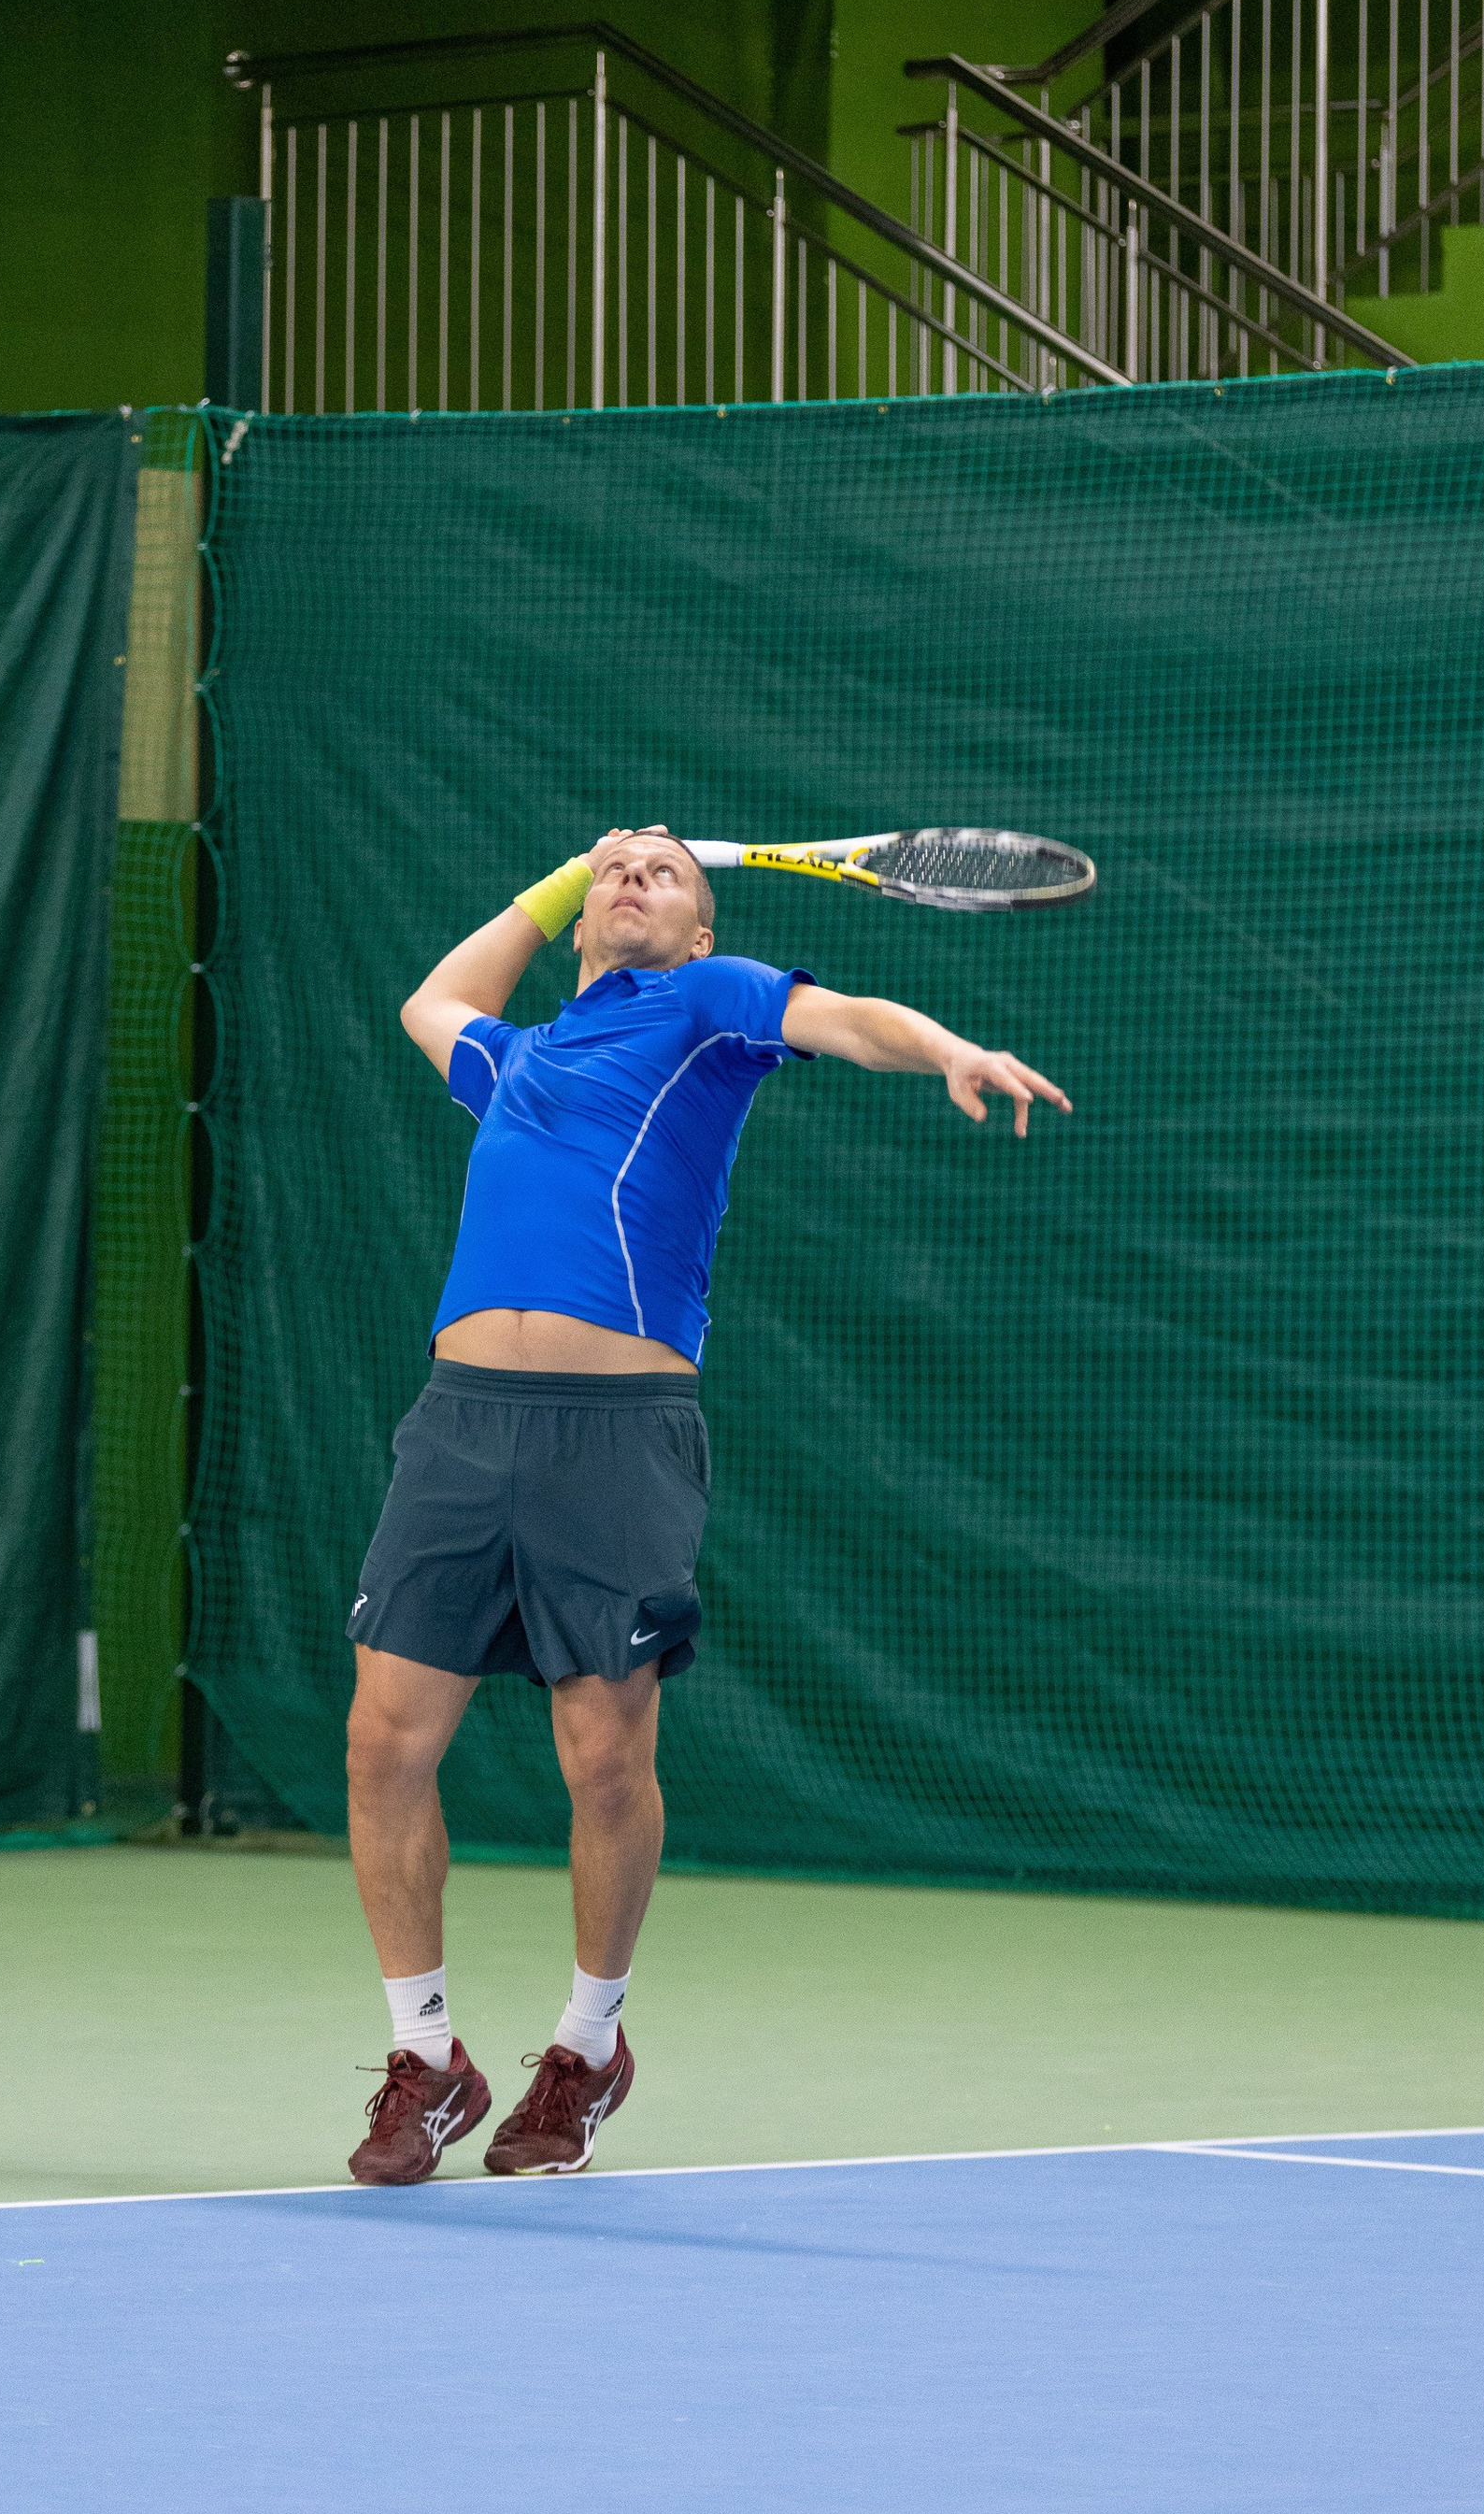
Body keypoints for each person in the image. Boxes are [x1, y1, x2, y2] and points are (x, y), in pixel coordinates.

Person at [343, 825, 1068, 2187]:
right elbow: (431, 1001)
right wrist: (561, 877)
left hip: (617, 1439)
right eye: (614, 871)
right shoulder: (517, 1060)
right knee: (384, 1741)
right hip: (460, 1428)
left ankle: (586, 2047)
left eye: (665, 871)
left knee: (603, 1756)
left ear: (698, 929)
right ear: (578, 919)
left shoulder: (707, 1004)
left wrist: (948, 1050)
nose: (635, 878)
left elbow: (851, 1019)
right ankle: (428, 2060)